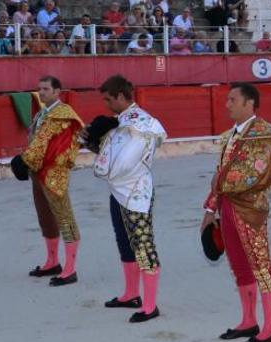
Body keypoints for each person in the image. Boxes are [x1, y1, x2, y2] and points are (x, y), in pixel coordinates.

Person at [201, 84, 271, 342]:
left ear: (249, 103)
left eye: (233, 99)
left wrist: (219, 183)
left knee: (261, 265)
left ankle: (270, 329)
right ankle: (249, 321)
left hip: (251, 209)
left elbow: (255, 175)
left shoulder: (265, 136)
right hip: (227, 206)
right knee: (239, 265)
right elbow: (221, 174)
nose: (227, 104)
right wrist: (210, 208)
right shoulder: (232, 135)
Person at [88, 75, 168, 323]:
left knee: (143, 243)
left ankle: (150, 305)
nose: (107, 105)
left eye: (109, 99)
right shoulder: (119, 122)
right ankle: (132, 294)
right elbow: (107, 154)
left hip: (136, 191)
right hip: (117, 189)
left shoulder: (144, 123)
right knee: (124, 241)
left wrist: (106, 164)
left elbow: (122, 162)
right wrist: (93, 141)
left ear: (122, 96)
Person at [10, 76, 84, 286]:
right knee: (45, 216)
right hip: (37, 171)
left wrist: (25, 160)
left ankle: (70, 269)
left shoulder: (64, 115)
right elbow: (37, 142)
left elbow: (47, 146)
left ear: (57, 91)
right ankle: (52, 262)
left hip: (54, 173)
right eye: (39, 89)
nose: (41, 92)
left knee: (64, 217)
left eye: (46, 89)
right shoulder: (43, 114)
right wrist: (28, 162)